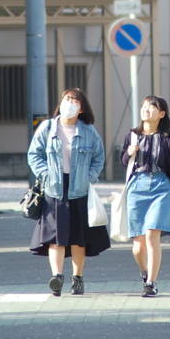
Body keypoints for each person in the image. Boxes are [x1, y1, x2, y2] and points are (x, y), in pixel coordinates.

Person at [27, 88, 110, 296]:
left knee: (77, 237)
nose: (70, 104)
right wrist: (45, 174)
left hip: (79, 189)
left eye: (75, 101)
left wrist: (89, 177)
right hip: (53, 188)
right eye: (67, 99)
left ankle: (77, 278)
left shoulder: (88, 131)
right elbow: (34, 154)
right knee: (55, 235)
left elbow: (99, 158)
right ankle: (57, 276)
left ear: (81, 108)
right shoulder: (48, 127)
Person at [119, 95, 170, 297]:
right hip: (136, 187)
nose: (146, 109)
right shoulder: (132, 136)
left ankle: (151, 283)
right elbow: (123, 161)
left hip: (162, 187)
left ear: (161, 114)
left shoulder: (168, 139)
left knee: (152, 235)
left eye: (152, 107)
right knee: (138, 247)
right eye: (144, 106)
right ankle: (145, 272)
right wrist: (129, 152)